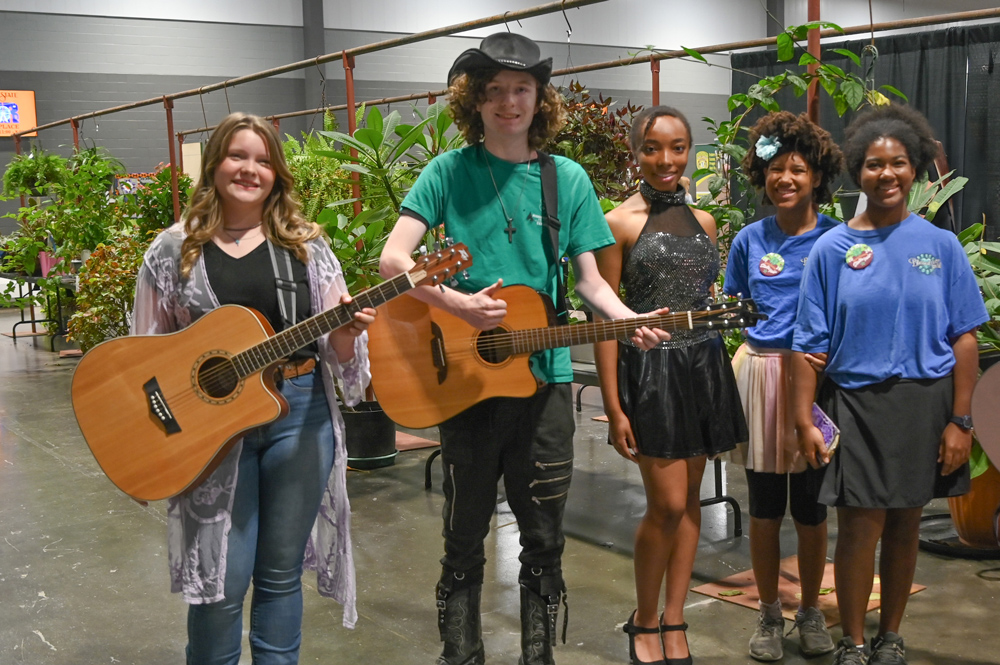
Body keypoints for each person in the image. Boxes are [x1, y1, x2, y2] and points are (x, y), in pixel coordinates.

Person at [378, 32, 670, 665]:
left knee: (542, 534)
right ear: (475, 102)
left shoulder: (563, 179)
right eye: (495, 92)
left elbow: (590, 279)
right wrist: (455, 304)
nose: (509, 103)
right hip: (465, 383)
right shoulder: (446, 173)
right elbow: (392, 259)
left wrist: (627, 319)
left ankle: (538, 655)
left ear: (539, 100)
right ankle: (461, 653)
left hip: (544, 381)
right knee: (463, 533)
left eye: (521, 90)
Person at [131, 112, 376, 665]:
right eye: (239, 156)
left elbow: (341, 357)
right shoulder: (172, 251)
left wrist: (345, 329)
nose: (250, 169)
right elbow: (140, 356)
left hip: (301, 414)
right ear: (215, 163)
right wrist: (159, 437)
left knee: (280, 575)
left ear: (278, 174)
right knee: (222, 580)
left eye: (264, 160)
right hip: (208, 431)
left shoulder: (306, 248)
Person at [791, 104, 987, 665]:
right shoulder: (830, 250)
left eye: (899, 163)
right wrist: (804, 420)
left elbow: (964, 339)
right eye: (874, 164)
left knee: (905, 523)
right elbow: (810, 346)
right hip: (854, 405)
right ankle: (852, 640)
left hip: (925, 404)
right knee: (859, 527)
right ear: (857, 170)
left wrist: (961, 420)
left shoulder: (940, 246)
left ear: (916, 168)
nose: (887, 174)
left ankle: (890, 636)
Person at [593, 106, 747, 665]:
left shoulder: (705, 223)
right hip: (651, 375)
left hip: (702, 368)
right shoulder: (617, 223)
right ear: (636, 153)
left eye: (677, 147)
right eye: (653, 149)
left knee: (690, 507)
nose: (666, 160)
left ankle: (675, 619)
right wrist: (613, 407)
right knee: (667, 503)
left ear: (689, 151)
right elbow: (604, 321)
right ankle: (643, 618)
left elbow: (705, 301)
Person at [722, 111, 843, 662]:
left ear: (817, 176)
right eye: (775, 169)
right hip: (759, 373)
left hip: (818, 378)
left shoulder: (841, 241)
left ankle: (812, 611)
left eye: (797, 169)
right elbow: (731, 307)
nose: (785, 179)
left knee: (813, 508)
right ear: (761, 175)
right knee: (766, 505)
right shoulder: (750, 240)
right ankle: (770, 613)